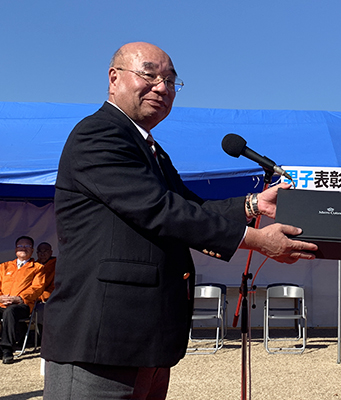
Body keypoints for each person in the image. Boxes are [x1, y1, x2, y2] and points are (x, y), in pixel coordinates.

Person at [41, 41, 317, 399]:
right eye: (149, 75)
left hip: (145, 340)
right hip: (101, 337)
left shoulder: (151, 148)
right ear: (114, 78)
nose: (162, 87)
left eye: (171, 81)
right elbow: (160, 209)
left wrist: (254, 204)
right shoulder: (99, 134)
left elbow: (189, 206)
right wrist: (257, 241)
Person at [0, 236, 45, 364]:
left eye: (27, 246)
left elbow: (37, 288)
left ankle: (7, 349)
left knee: (11, 311)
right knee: (7, 310)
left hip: (22, 305)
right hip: (2, 303)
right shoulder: (4, 266)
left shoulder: (37, 268)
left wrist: (19, 298)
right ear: (15, 250)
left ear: (32, 250)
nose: (23, 249)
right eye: (20, 246)